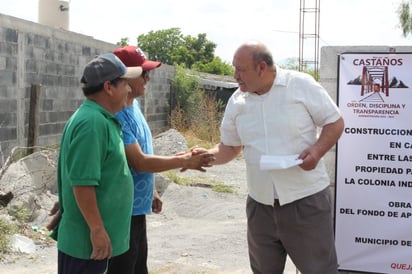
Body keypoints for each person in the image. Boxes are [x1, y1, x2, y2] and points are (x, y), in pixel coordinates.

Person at [203, 41, 344, 274]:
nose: (235, 75)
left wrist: (317, 151)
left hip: (305, 202)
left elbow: (335, 122)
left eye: (241, 69)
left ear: (261, 67)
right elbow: (229, 148)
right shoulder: (237, 101)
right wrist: (201, 157)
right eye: (234, 68)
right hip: (261, 206)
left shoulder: (300, 85)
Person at [107, 45, 215, 274]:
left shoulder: (134, 106)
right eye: (143, 73)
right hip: (121, 213)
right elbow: (139, 161)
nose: (148, 78)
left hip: (136, 210)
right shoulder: (117, 115)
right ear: (126, 76)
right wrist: (185, 161)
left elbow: (142, 156)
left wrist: (152, 188)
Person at [55, 53, 142, 274]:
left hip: (93, 245)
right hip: (88, 246)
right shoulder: (92, 124)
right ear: (109, 87)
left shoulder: (100, 119)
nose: (129, 90)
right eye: (124, 83)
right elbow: (82, 183)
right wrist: (97, 230)